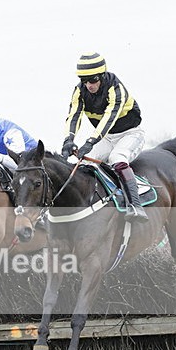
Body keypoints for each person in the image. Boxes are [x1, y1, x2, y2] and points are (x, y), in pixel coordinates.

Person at [61, 52, 148, 222]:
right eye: (84, 80)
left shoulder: (116, 89)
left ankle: (135, 205)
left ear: (102, 75)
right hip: (108, 137)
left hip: (130, 134)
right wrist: (68, 140)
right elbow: (74, 115)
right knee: (84, 163)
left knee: (117, 157)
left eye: (93, 80)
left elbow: (109, 118)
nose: (88, 85)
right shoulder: (79, 91)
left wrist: (90, 141)